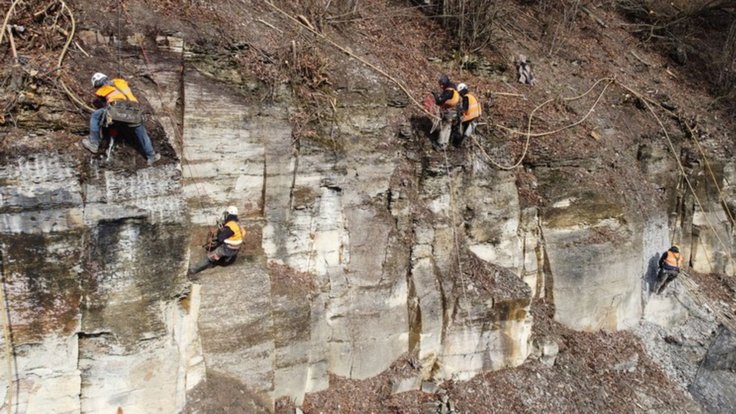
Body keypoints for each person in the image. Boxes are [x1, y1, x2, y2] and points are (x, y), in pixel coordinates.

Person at [81, 72, 161, 166]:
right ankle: (151, 156)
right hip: (134, 109)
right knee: (141, 132)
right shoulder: (120, 82)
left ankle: (93, 144)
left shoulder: (101, 90)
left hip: (117, 109)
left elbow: (104, 103)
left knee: (95, 116)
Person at [188, 206, 245, 276]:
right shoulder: (237, 224)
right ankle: (221, 260)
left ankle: (193, 270)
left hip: (227, 249)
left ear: (228, 214)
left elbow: (220, 238)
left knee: (209, 257)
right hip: (237, 248)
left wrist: (220, 232)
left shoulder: (230, 226)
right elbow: (241, 233)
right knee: (220, 245)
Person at [453, 83, 481, 147]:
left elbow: (465, 108)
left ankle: (457, 144)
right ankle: (460, 144)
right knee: (466, 133)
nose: (460, 94)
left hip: (470, 116)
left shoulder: (466, 97)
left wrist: (459, 111)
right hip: (476, 116)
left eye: (460, 93)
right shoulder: (472, 95)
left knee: (459, 128)